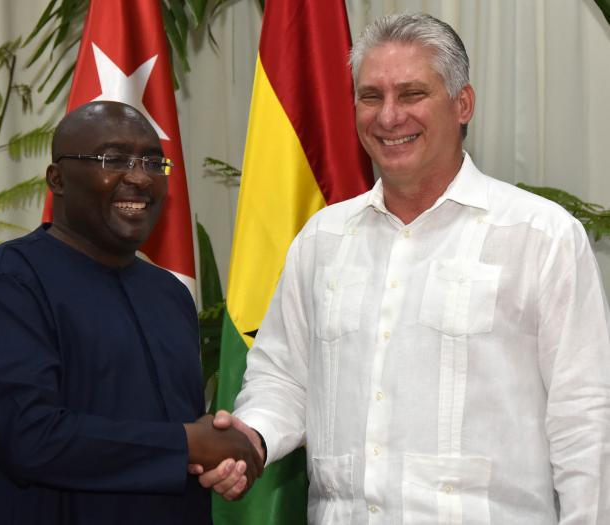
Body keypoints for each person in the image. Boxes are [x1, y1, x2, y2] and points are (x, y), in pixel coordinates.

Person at [198, 12, 610, 524]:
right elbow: (282, 377)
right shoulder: (322, 240)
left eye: (412, 94)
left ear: (463, 104)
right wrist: (253, 437)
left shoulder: (540, 236)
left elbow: (585, 420)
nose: (389, 117)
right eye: (371, 96)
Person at [0, 100, 262, 525]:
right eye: (113, 159)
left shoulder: (169, 294)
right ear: (57, 179)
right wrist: (188, 444)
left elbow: (175, 442)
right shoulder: (7, 281)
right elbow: (30, 437)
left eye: (153, 162)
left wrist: (215, 457)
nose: (140, 177)